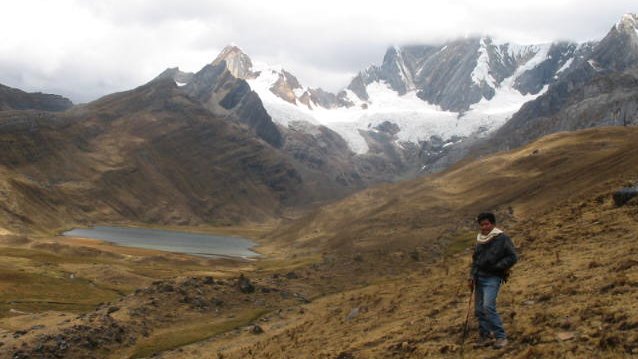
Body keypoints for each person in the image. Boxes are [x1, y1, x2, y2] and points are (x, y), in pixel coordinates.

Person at [468, 212, 517, 349]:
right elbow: (475, 260)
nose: (484, 227)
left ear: (493, 224)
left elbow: (513, 257)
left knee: (488, 306)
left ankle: (501, 337)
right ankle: (485, 336)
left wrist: (497, 267)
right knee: (479, 309)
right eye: (482, 224)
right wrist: (471, 276)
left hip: (492, 278)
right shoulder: (480, 239)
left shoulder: (502, 238)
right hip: (479, 277)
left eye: (487, 224)